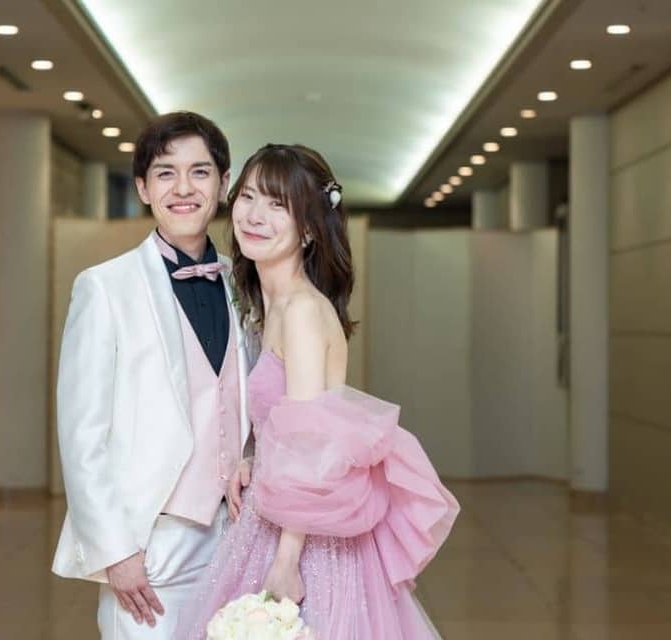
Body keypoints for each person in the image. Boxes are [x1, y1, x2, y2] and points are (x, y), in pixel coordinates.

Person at [176, 144, 460, 640]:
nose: (254, 215)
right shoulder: (271, 306)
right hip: (272, 515)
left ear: (308, 229)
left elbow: (309, 447)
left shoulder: (303, 311)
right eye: (248, 196)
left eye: (277, 205)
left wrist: (287, 563)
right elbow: (282, 421)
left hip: (303, 539)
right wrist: (253, 454)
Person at [51, 112, 253, 639]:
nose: (183, 188)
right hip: (149, 543)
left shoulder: (245, 285)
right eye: (166, 173)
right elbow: (82, 435)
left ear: (223, 184)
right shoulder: (105, 287)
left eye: (200, 172)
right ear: (143, 187)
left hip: (237, 539)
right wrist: (115, 551)